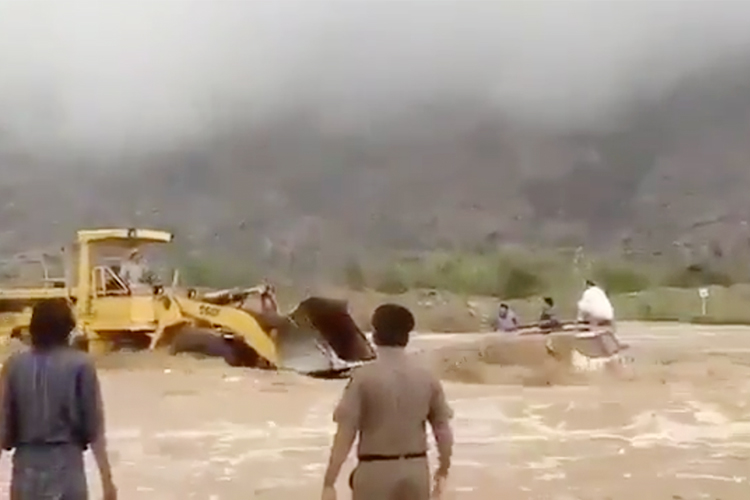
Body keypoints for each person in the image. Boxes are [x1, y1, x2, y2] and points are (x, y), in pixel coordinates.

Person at [321, 303, 454, 500]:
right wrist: (443, 469)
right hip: (416, 469)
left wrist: (329, 482)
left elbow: (345, 433)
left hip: (375, 470)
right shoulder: (426, 377)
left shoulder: (363, 377)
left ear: (374, 335)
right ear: (407, 337)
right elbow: (442, 430)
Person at [0, 298, 117, 500]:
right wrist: (107, 481)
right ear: (68, 329)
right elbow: (95, 429)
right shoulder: (81, 365)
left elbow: (2, 428)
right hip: (67, 469)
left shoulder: (14, 366)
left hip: (26, 472)